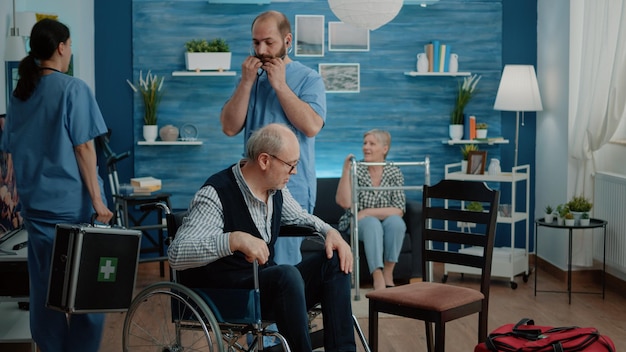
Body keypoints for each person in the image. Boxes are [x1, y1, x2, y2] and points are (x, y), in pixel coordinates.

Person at [168, 123, 356, 352]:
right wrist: (233, 239)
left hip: (266, 288)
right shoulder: (215, 194)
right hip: (230, 295)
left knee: (334, 261)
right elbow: (177, 254)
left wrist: (331, 232)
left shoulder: (276, 190)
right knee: (286, 275)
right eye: (291, 165)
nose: (294, 172)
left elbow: (302, 217)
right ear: (265, 160)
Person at [0, 19, 113, 351]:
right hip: (74, 212)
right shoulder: (73, 89)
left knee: (46, 294)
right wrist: (98, 201)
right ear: (62, 47)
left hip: (36, 212)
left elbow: (11, 151)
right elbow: (84, 147)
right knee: (88, 296)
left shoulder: (20, 94)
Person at [220, 10, 326, 266]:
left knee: (286, 264)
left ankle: (288, 307)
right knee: (251, 262)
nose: (262, 49)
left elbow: (312, 126)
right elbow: (229, 127)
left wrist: (280, 85)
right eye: (256, 42)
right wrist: (245, 83)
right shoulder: (250, 79)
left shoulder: (309, 79)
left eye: (269, 42)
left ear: (287, 41)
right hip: (250, 185)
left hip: (292, 185)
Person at [335, 129, 406, 291]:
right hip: (358, 223)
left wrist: (367, 212)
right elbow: (344, 202)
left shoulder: (394, 171)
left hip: (378, 218)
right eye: (365, 143)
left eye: (372, 144)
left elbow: (399, 209)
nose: (366, 147)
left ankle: (389, 272)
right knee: (373, 224)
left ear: (385, 149)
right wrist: (346, 171)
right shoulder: (356, 168)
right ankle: (377, 276)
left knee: (397, 223)